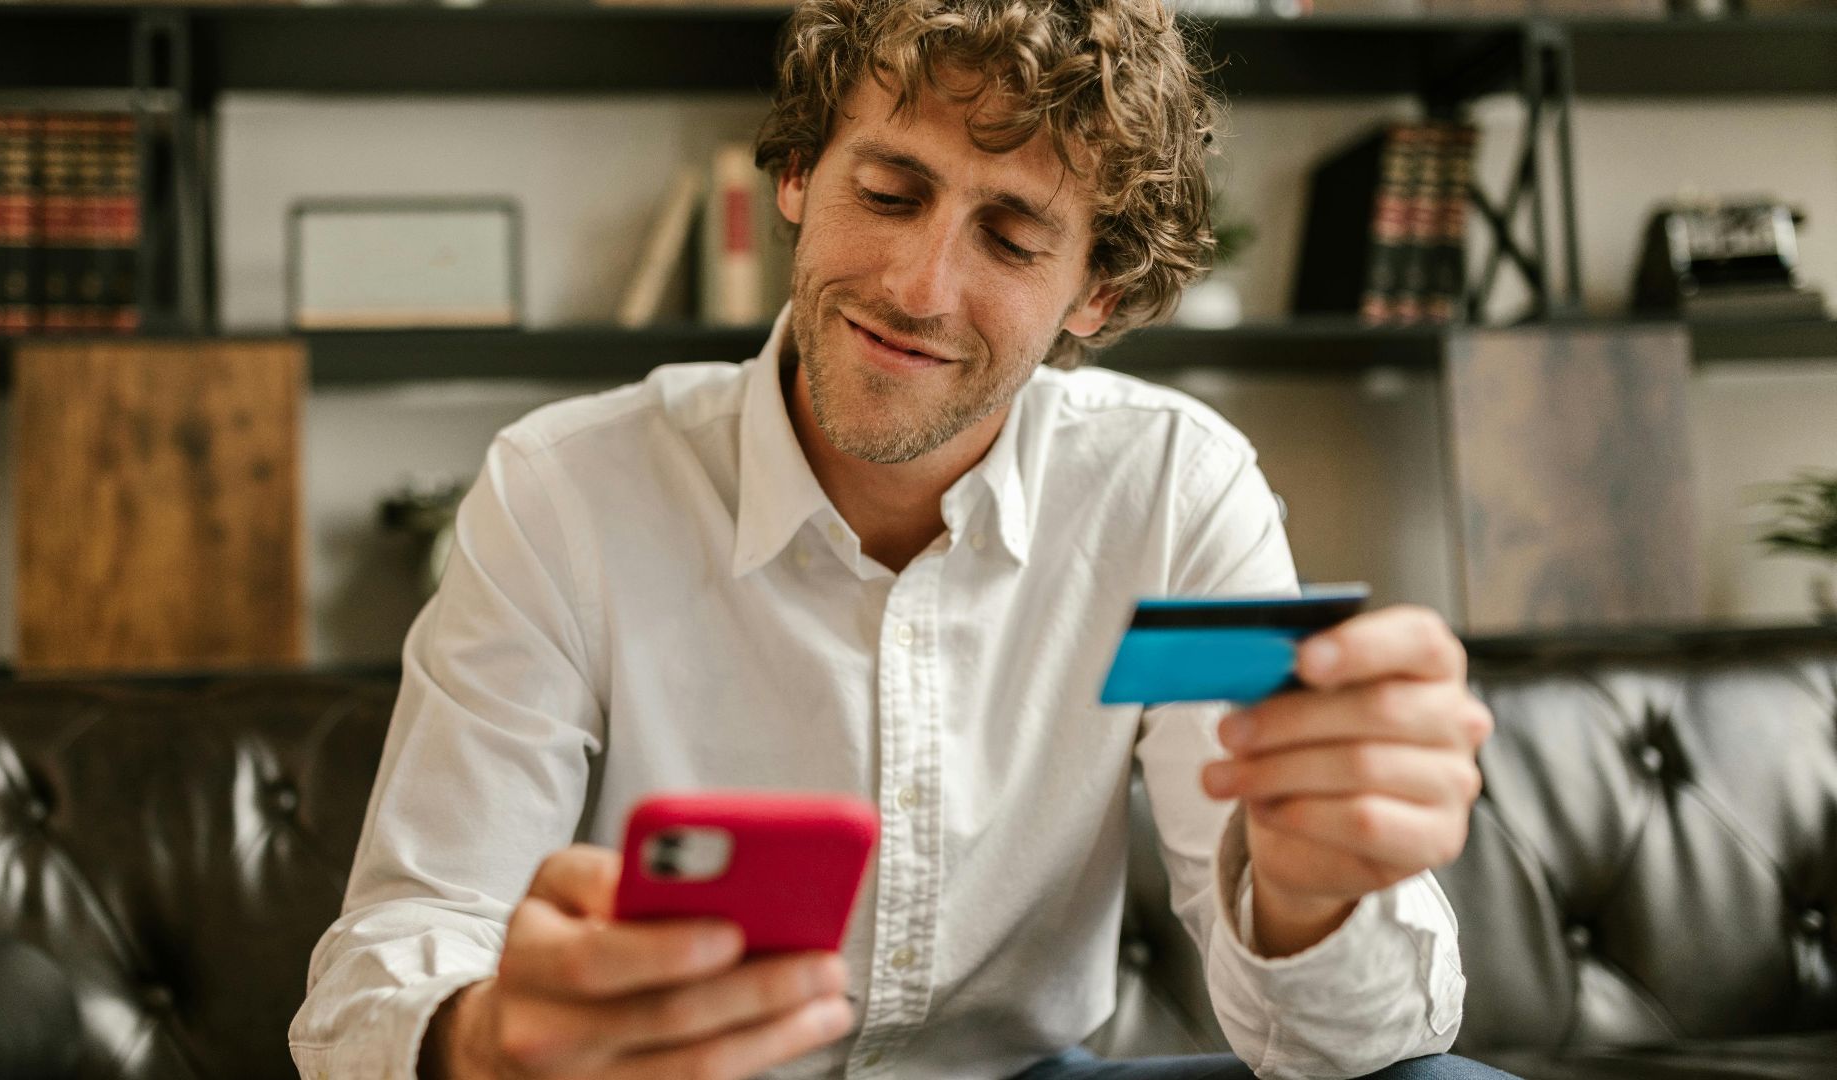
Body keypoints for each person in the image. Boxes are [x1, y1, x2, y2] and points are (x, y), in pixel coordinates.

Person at [290, 2, 1509, 1078]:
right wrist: (494, 1044)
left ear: (1095, 290)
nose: (920, 286)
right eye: (887, 192)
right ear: (799, 177)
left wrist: (1303, 893)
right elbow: (389, 967)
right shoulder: (565, 493)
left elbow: (1343, 1049)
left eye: (1015, 239)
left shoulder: (1171, 493)